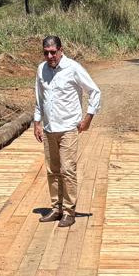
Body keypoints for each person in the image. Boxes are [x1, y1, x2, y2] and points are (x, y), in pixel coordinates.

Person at [34, 35, 102, 227]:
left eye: (53, 52)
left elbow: (95, 91)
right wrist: (37, 122)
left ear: (61, 50)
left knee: (68, 170)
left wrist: (88, 117)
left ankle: (69, 211)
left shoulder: (73, 68)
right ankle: (56, 208)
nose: (50, 56)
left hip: (68, 129)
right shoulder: (41, 70)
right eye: (46, 53)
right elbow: (39, 98)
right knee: (52, 170)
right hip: (49, 129)